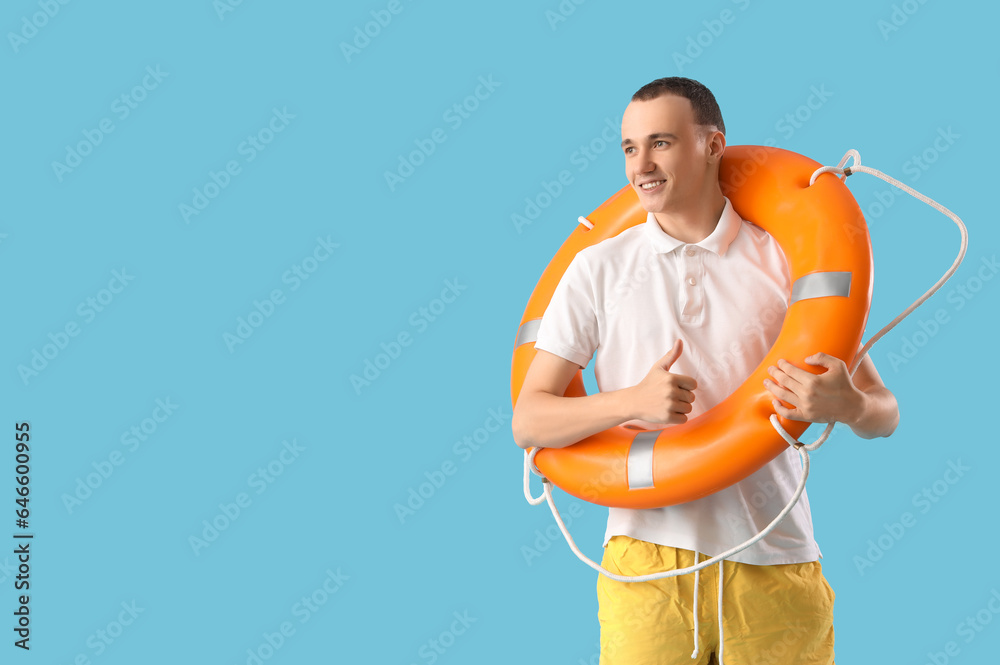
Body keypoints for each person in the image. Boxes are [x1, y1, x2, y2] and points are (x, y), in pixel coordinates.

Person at [511, 77, 899, 665]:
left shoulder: (784, 262)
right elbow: (529, 420)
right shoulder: (597, 269)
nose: (641, 164)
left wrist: (848, 407)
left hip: (776, 556)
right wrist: (628, 403)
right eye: (628, 148)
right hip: (646, 562)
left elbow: (884, 413)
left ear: (713, 143)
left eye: (660, 143)